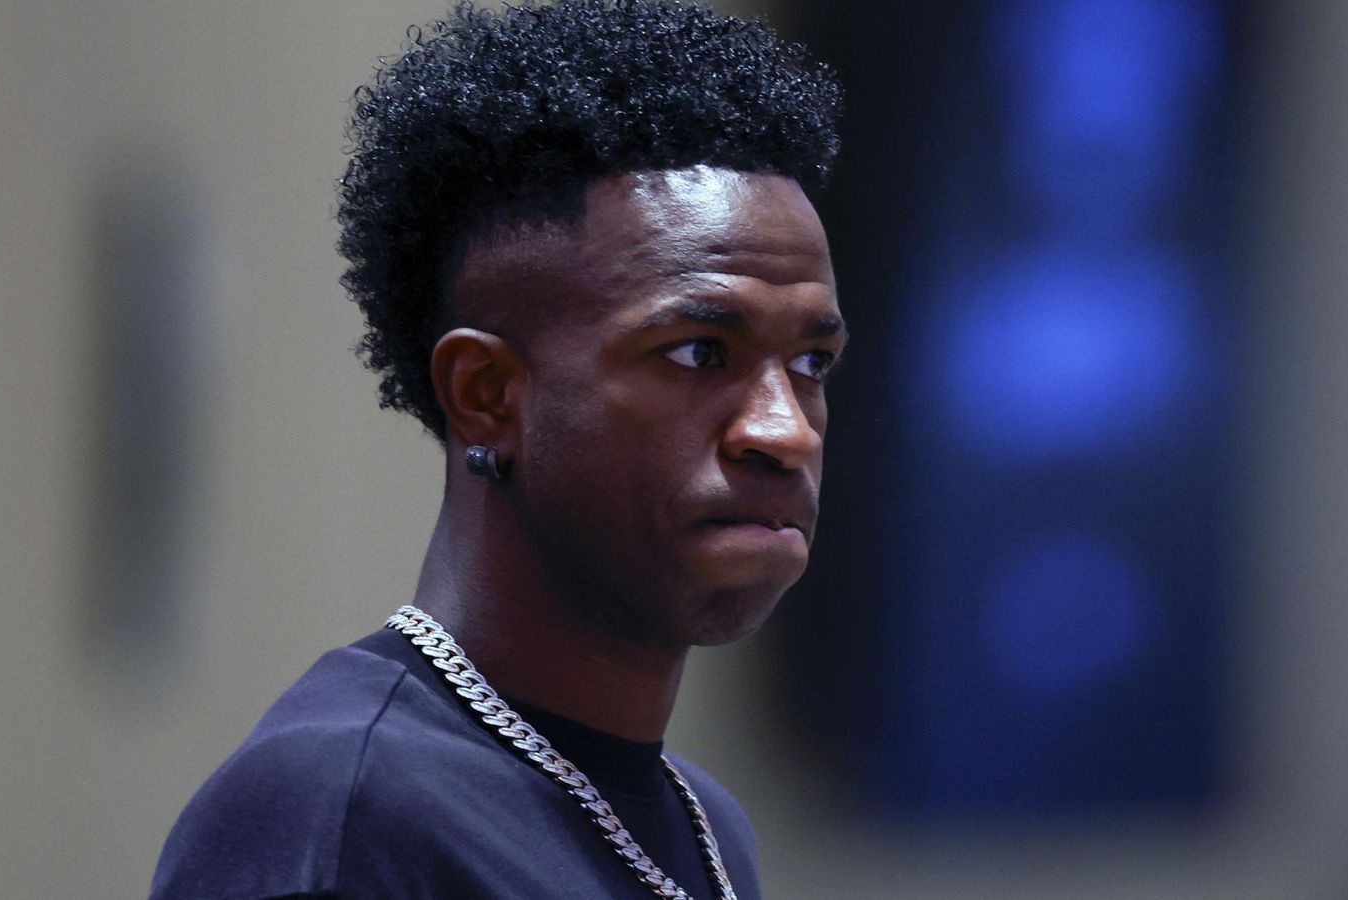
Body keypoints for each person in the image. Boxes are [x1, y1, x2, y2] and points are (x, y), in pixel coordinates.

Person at [150, 1, 843, 897]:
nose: (784, 429)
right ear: (487, 396)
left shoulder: (705, 829)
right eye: (697, 352)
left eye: (812, 361)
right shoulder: (342, 814)